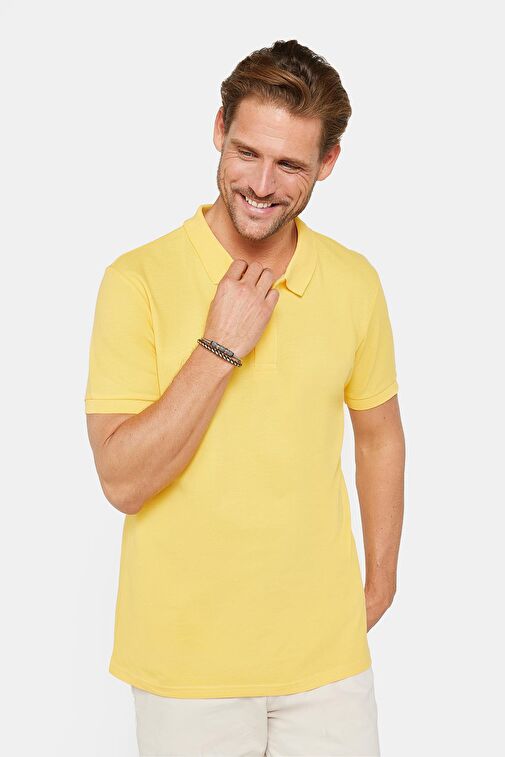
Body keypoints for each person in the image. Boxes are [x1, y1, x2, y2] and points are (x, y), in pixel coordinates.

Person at [85, 39, 405, 757]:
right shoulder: (136, 280)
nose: (261, 184)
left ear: (328, 162)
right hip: (186, 669)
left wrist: (380, 579)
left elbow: (380, 431)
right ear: (218, 130)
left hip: (326, 663)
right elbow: (122, 481)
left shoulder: (354, 281)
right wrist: (220, 346)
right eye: (247, 153)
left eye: (290, 164)